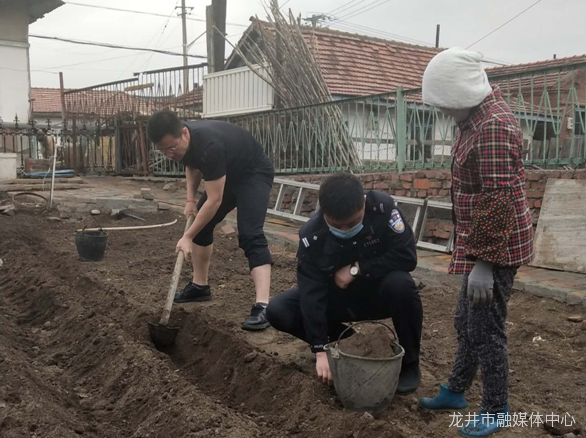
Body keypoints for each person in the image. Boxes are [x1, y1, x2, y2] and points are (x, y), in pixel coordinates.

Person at [418, 48, 534, 437]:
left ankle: (496, 407)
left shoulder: (494, 127)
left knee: (486, 326)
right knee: (465, 320)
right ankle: (456, 389)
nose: (444, 112)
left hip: (496, 246)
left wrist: (484, 263)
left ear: (460, 93)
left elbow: (499, 199)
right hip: (480, 240)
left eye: (444, 103)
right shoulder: (473, 118)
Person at [266, 172, 423, 395]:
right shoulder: (312, 237)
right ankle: (346, 344)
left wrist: (356, 269)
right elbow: (311, 294)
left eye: (352, 223)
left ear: (364, 205)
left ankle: (409, 364)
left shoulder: (383, 210)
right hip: (338, 301)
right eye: (337, 225)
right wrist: (320, 350)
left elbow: (407, 257)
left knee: (402, 284)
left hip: (378, 294)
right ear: (324, 214)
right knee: (278, 309)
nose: (345, 231)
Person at [147, 110, 275, 331]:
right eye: (163, 151)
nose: (169, 154)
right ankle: (200, 286)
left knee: (250, 234)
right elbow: (191, 165)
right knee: (202, 227)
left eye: (171, 148)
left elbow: (215, 200)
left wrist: (187, 236)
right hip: (226, 172)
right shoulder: (182, 142)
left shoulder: (209, 146)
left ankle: (264, 306)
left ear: (184, 133)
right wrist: (190, 199)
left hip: (252, 173)